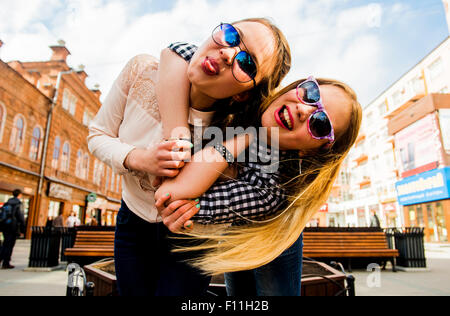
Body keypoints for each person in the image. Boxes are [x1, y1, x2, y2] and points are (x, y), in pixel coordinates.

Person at [88, 18, 291, 296]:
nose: (228, 52)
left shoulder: (237, 135)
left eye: (247, 64)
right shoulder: (142, 71)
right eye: (231, 35)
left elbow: (269, 188)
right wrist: (139, 159)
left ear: (245, 96)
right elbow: (97, 135)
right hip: (132, 220)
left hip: (195, 238)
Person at [155, 76, 362, 295]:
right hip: (237, 236)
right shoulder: (250, 89)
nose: (304, 109)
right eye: (311, 93)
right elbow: (176, 55)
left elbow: (171, 196)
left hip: (271, 240)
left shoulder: (274, 189)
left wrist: (243, 139)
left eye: (320, 123)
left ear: (312, 151)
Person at [0, 189, 25, 269]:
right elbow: (21, 217)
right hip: (13, 227)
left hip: (5, 226)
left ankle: (1, 259)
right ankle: (6, 263)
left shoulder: (7, 203)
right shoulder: (18, 204)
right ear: (19, 195)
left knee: (5, 244)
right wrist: (22, 229)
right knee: (10, 245)